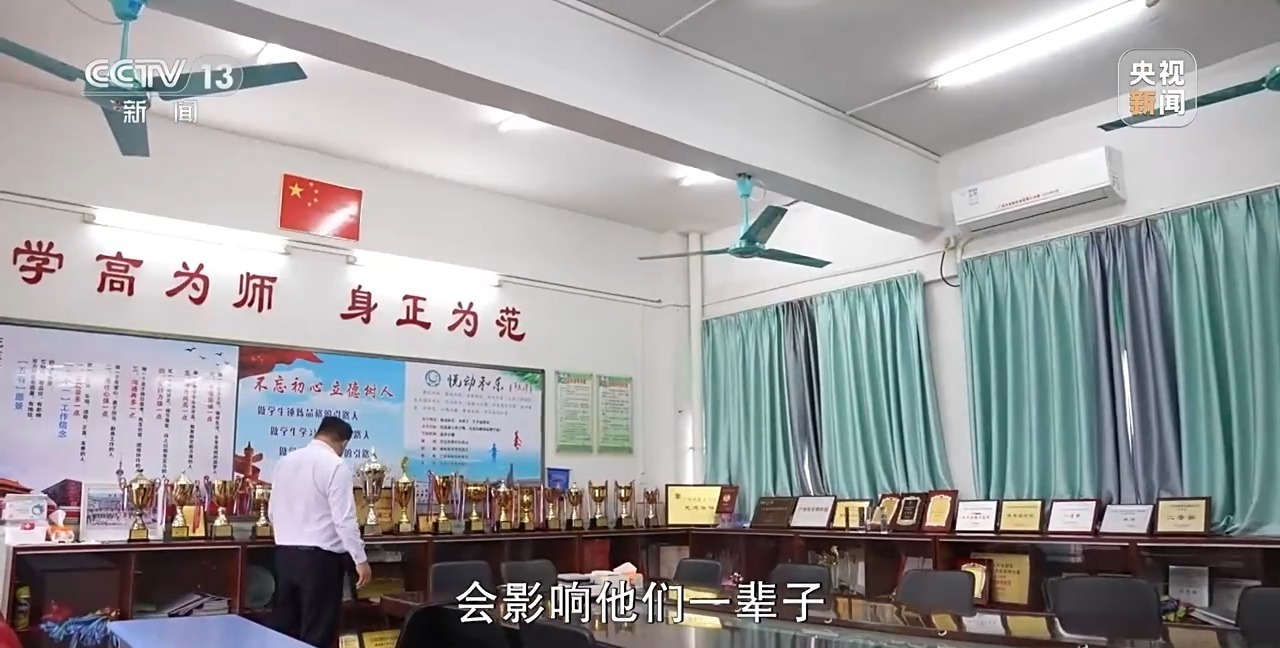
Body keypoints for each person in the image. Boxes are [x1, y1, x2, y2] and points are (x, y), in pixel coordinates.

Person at [269, 416, 371, 648]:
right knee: (318, 632)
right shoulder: (335, 465)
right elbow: (344, 520)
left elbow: (272, 511)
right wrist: (360, 560)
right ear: (343, 443)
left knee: (285, 630)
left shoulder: (285, 462)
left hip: (284, 557)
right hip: (319, 562)